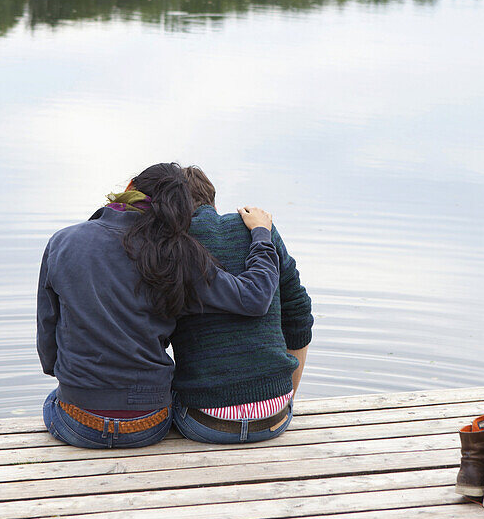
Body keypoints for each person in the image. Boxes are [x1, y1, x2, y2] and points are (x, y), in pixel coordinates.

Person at [37, 162, 280, 450]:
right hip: (149, 423)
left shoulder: (63, 242)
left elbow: (47, 329)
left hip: (79, 420)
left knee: (53, 400)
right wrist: (262, 236)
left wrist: (66, 376)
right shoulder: (178, 253)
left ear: (129, 189)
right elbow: (254, 297)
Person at [170, 166, 313, 444]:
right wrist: (286, 396)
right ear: (212, 200)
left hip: (203, 422)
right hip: (275, 419)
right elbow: (298, 313)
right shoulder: (261, 229)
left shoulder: (171, 246)